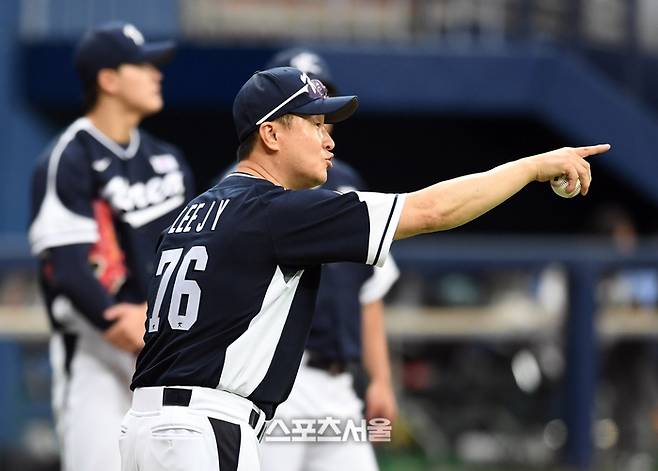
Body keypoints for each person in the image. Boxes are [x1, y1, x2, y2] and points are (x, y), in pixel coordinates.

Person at [119, 66, 608, 471]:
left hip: (150, 426)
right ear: (270, 133)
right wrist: (530, 167)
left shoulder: (196, 210)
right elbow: (430, 211)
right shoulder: (276, 211)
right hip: (203, 430)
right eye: (313, 124)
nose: (328, 139)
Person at [28, 22, 194, 471]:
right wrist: (112, 318)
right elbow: (66, 268)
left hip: (168, 355)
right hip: (97, 354)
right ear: (108, 80)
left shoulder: (168, 159)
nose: (157, 74)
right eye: (144, 65)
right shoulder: (71, 155)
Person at [258, 48, 398, 471]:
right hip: (274, 382)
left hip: (338, 385)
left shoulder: (348, 183)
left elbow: (369, 292)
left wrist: (381, 379)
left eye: (324, 108)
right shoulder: (247, 186)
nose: (320, 122)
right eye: (306, 110)